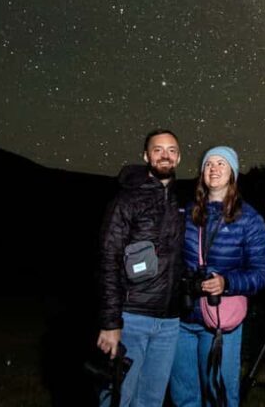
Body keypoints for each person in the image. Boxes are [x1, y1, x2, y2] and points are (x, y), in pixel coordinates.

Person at [170, 146, 265, 407]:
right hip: (182, 317)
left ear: (233, 174)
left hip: (218, 321)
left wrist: (227, 283)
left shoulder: (249, 219)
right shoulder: (188, 212)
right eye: (208, 164)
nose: (214, 169)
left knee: (219, 396)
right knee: (183, 396)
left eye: (221, 164)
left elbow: (264, 272)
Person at [96, 129, 184, 407]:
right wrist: (110, 323)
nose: (165, 155)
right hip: (132, 318)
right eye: (157, 150)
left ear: (179, 157)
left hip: (169, 322)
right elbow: (108, 259)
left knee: (151, 401)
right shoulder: (127, 199)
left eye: (171, 150)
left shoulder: (181, 201)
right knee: (118, 398)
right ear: (146, 156)